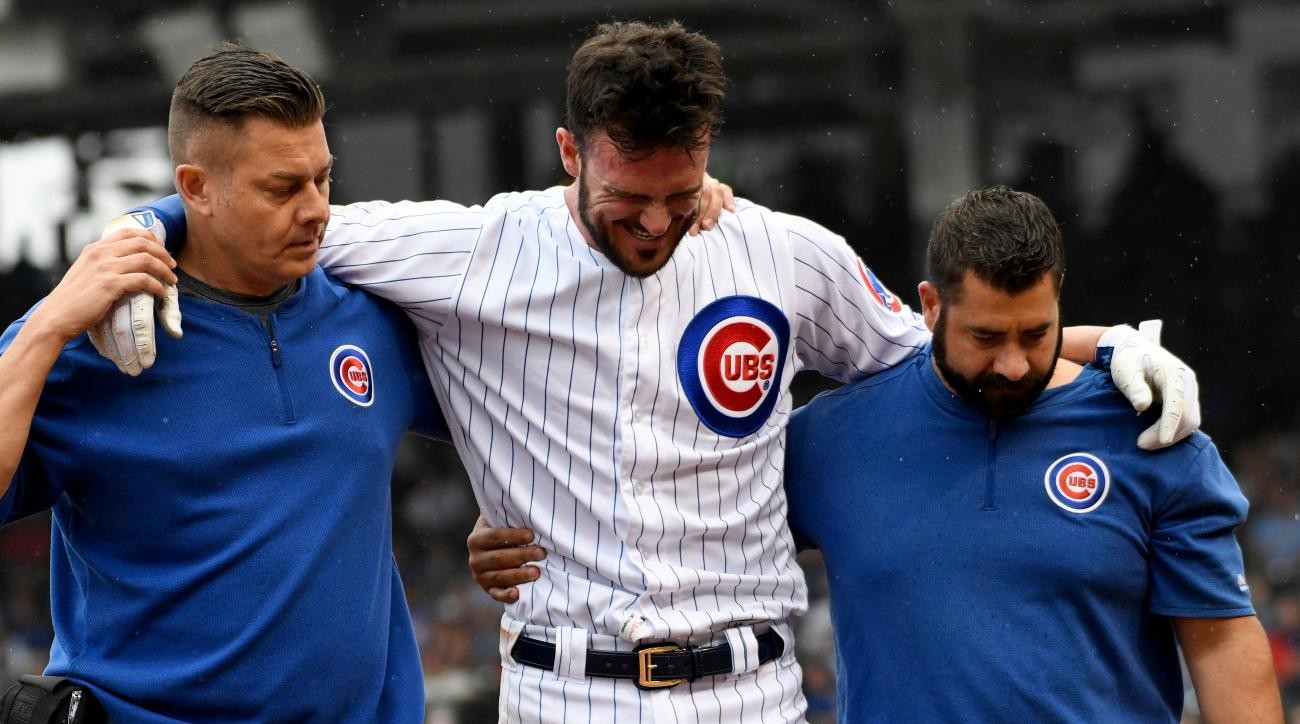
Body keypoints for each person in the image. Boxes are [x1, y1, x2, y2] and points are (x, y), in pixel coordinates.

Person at [104, 22, 1197, 722]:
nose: (656, 224)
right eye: (627, 203)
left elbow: (947, 353)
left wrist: (1107, 346)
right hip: (559, 691)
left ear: (709, 146)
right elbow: (270, 217)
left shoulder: (784, 254)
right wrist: (142, 232)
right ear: (571, 152)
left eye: (681, 197)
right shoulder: (471, 248)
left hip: (754, 692)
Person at [0, 44, 450, 722]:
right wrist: (44, 326)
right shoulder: (91, 340)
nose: (317, 210)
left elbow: (507, 415)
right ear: (196, 188)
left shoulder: (372, 317)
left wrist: (509, 517)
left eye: (323, 180)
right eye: (283, 188)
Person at [780, 186, 1283, 722]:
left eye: (1037, 333)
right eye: (986, 336)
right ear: (930, 306)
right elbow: (711, 544)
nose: (1014, 365)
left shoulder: (1153, 434)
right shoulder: (830, 440)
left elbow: (1222, 643)